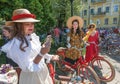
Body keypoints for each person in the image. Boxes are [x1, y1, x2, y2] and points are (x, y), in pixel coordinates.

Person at [0, 8, 59, 84]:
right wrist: (41, 53)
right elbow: (29, 67)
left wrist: (49, 56)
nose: (31, 26)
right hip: (31, 78)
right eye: (27, 24)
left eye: (32, 23)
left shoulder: (32, 37)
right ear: (19, 26)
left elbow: (36, 53)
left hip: (43, 73)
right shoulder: (16, 44)